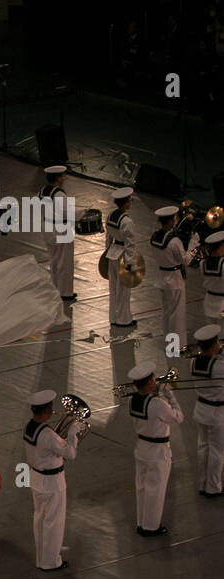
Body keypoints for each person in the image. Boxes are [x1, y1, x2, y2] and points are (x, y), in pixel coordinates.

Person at [23, 390, 81, 570]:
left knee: (40, 518)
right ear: (47, 411)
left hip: (36, 478)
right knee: (54, 521)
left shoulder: (29, 427)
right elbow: (70, 454)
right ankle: (51, 561)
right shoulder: (48, 435)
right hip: (52, 481)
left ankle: (43, 554)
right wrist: (72, 434)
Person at [127, 361, 181, 536]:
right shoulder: (158, 404)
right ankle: (151, 526)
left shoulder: (132, 400)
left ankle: (141, 521)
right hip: (158, 450)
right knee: (156, 489)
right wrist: (170, 397)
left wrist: (158, 395)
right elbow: (178, 417)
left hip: (141, 447)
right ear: (150, 382)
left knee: (142, 487)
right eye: (153, 379)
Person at [189, 324, 224, 497]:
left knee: (203, 448)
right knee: (217, 451)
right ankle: (213, 487)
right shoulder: (218, 367)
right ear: (213, 345)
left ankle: (202, 484)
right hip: (216, 413)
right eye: (218, 342)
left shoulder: (193, 361)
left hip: (201, 409)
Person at [147, 205, 188, 344]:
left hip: (162, 276)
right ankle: (177, 346)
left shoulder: (155, 237)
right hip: (175, 279)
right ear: (171, 221)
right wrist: (194, 244)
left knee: (166, 312)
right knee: (177, 314)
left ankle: (169, 343)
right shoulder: (174, 241)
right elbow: (186, 260)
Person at [39, 166, 76, 300]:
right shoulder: (59, 194)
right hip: (61, 228)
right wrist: (82, 214)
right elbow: (68, 213)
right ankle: (65, 292)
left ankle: (55, 288)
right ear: (58, 179)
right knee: (65, 261)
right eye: (62, 176)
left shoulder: (43, 191)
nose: (63, 179)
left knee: (54, 259)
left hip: (47, 227)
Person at [104, 187, 137, 327]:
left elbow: (108, 237)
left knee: (113, 287)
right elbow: (130, 245)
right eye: (130, 200)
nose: (131, 202)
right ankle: (124, 319)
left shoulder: (111, 216)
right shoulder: (127, 222)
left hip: (112, 252)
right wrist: (131, 264)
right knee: (124, 289)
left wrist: (106, 252)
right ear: (126, 203)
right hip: (123, 254)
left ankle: (113, 317)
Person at [202, 231, 224, 325]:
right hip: (222, 304)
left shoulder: (202, 263)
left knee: (211, 333)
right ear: (219, 248)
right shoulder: (223, 264)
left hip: (209, 302)